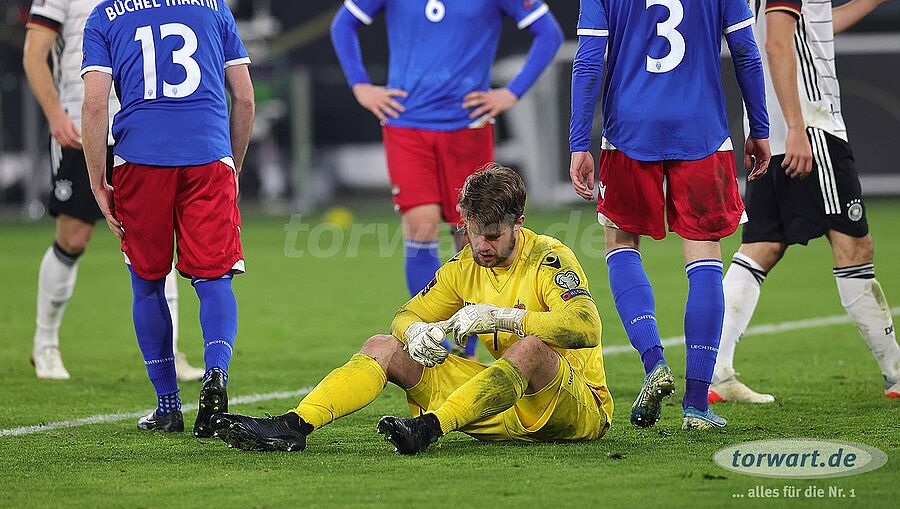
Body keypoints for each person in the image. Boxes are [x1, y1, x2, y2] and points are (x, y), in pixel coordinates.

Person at [210, 165, 613, 454]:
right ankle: (293, 426)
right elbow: (405, 316)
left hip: (574, 409)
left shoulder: (549, 258)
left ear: (518, 223)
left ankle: (428, 429)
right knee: (383, 346)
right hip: (500, 403)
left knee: (530, 349)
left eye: (493, 235)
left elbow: (587, 326)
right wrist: (415, 333)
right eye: (474, 233)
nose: (482, 245)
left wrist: (503, 318)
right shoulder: (464, 266)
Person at [569, 0, 771, 430]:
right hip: (701, 129)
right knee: (704, 254)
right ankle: (697, 406)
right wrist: (759, 127)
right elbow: (745, 49)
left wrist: (579, 141)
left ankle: (653, 361)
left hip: (629, 129)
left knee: (621, 243)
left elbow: (589, 59)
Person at [330, 0, 564, 359]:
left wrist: (511, 92)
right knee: (420, 226)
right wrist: (361, 86)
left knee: (471, 234)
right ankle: (430, 339)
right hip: (407, 126)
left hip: (467, 127)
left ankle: (466, 346)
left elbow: (549, 32)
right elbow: (343, 24)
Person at [711, 0, 900, 403]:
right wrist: (798, 127)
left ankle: (716, 372)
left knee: (761, 246)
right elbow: (777, 43)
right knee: (854, 246)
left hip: (773, 131)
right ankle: (896, 372)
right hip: (810, 128)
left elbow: (809, 30)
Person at [80, 0, 255, 435]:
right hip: (208, 155)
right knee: (215, 277)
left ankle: (168, 406)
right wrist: (233, 164)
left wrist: (97, 181)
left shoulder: (106, 13)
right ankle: (216, 375)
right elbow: (244, 97)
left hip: (140, 160)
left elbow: (95, 105)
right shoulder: (212, 4)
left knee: (147, 281)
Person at [22, 0, 202, 381]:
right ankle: (44, 343)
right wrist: (55, 115)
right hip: (81, 126)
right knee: (74, 236)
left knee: (158, 238)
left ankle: (171, 350)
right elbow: (34, 53)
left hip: (141, 128)